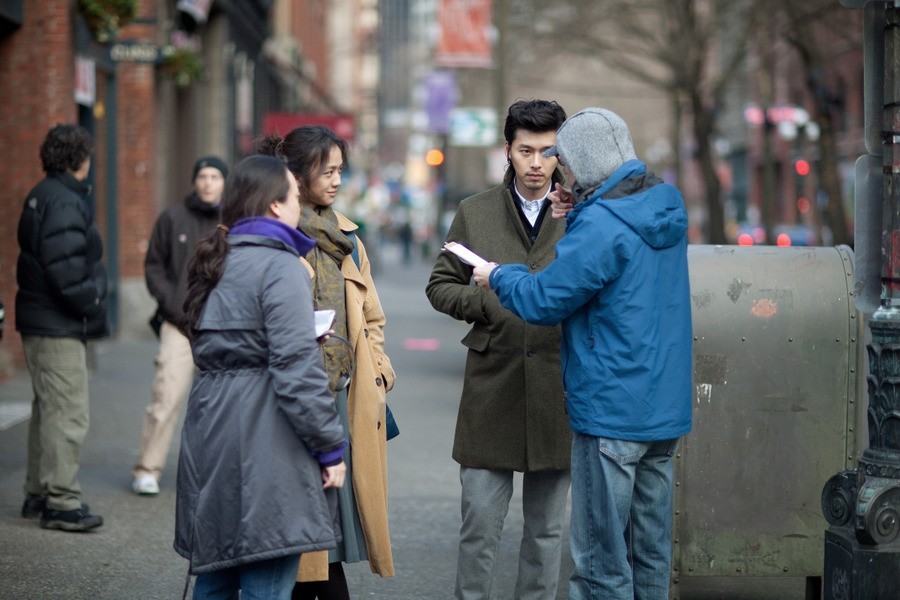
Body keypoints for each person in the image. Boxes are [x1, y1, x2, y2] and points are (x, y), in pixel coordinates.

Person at [472, 108, 693, 600]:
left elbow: (545, 299)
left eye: (565, 163)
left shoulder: (601, 227)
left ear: (583, 163)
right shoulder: (664, 204)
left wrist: (498, 275)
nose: (560, 171)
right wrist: (584, 208)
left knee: (600, 561)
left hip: (611, 413)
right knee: (650, 554)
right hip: (663, 411)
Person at [173, 155, 347, 599]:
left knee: (216, 572)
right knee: (265, 579)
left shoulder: (213, 258)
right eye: (292, 195)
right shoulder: (282, 266)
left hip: (211, 428)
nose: (297, 205)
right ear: (274, 206)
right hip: (268, 434)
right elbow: (296, 372)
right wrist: (329, 449)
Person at [426, 99, 572, 600]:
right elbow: (439, 285)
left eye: (547, 152)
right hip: (493, 386)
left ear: (561, 155)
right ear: (507, 151)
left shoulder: (579, 214)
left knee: (547, 533)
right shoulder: (475, 212)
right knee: (480, 529)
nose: (536, 163)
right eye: (525, 150)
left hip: (559, 387)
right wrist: (485, 303)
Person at [257, 125, 397, 598]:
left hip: (340, 397)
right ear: (297, 176)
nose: (337, 180)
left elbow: (372, 316)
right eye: (326, 171)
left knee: (329, 528)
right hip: (288, 399)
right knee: (300, 533)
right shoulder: (272, 234)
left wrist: (376, 366)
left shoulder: (347, 238)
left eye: (341, 170)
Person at [15, 124, 108, 532]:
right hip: (57, 323)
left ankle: (38, 493)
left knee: (46, 410)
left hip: (39, 319)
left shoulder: (41, 194)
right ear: (78, 160)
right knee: (68, 413)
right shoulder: (66, 202)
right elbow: (66, 271)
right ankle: (62, 502)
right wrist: (95, 304)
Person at [131, 155, 228, 496]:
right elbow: (154, 265)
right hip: (178, 325)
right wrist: (172, 304)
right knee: (166, 396)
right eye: (203, 175)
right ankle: (147, 468)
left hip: (221, 327)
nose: (208, 182)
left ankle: (211, 474)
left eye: (215, 176)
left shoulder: (233, 221)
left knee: (219, 404)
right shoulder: (172, 218)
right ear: (194, 180)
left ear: (224, 182)